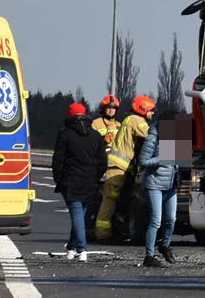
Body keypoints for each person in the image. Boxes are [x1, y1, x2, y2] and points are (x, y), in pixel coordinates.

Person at [95, 95, 156, 239]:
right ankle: (103, 234)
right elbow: (152, 137)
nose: (153, 113)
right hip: (118, 168)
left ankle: (115, 230)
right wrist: (177, 138)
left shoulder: (130, 120)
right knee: (110, 200)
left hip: (121, 168)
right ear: (143, 109)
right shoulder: (137, 121)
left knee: (117, 200)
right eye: (151, 110)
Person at [52, 102, 107, 261]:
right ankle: (71, 247)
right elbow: (103, 161)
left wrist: (58, 178)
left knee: (76, 215)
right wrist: (95, 176)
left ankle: (82, 249)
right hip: (89, 180)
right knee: (80, 216)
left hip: (70, 180)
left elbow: (58, 160)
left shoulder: (65, 134)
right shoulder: (95, 136)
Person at [137, 111, 179, 267]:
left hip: (170, 184)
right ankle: (149, 256)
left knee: (171, 219)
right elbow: (143, 161)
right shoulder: (153, 137)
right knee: (156, 221)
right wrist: (162, 159)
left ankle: (165, 246)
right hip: (154, 184)